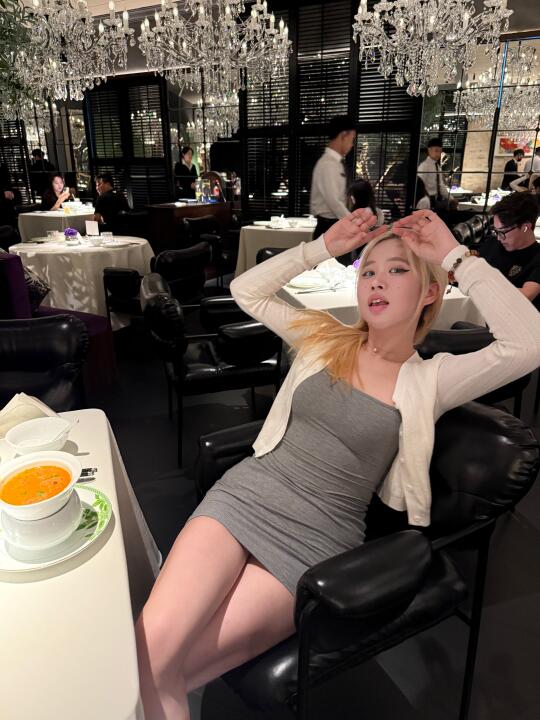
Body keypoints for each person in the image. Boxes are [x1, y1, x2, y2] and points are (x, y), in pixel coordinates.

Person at [135, 206, 540, 719]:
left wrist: (455, 256)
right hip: (245, 496)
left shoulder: (430, 379)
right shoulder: (325, 335)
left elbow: (529, 343)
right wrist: (322, 248)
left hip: (314, 538)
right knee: (148, 654)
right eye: (368, 271)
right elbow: (246, 290)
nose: (377, 281)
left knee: (155, 669)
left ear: (430, 292)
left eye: (397, 270)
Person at [479, 192, 540, 309]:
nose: (498, 238)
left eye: (502, 232)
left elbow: (525, 295)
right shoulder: (492, 243)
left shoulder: (537, 257)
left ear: (525, 227)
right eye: (496, 231)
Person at [310, 115, 356, 240]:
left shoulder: (336, 163)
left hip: (333, 224)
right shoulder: (328, 164)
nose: (352, 145)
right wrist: (354, 224)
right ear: (343, 135)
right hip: (328, 226)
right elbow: (334, 202)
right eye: (352, 139)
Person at [416, 138, 457, 213]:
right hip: (426, 201)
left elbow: (441, 186)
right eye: (436, 151)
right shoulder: (424, 166)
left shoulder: (437, 167)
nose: (438, 154)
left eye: (440, 151)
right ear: (429, 150)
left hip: (435, 201)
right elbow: (419, 186)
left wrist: (451, 199)